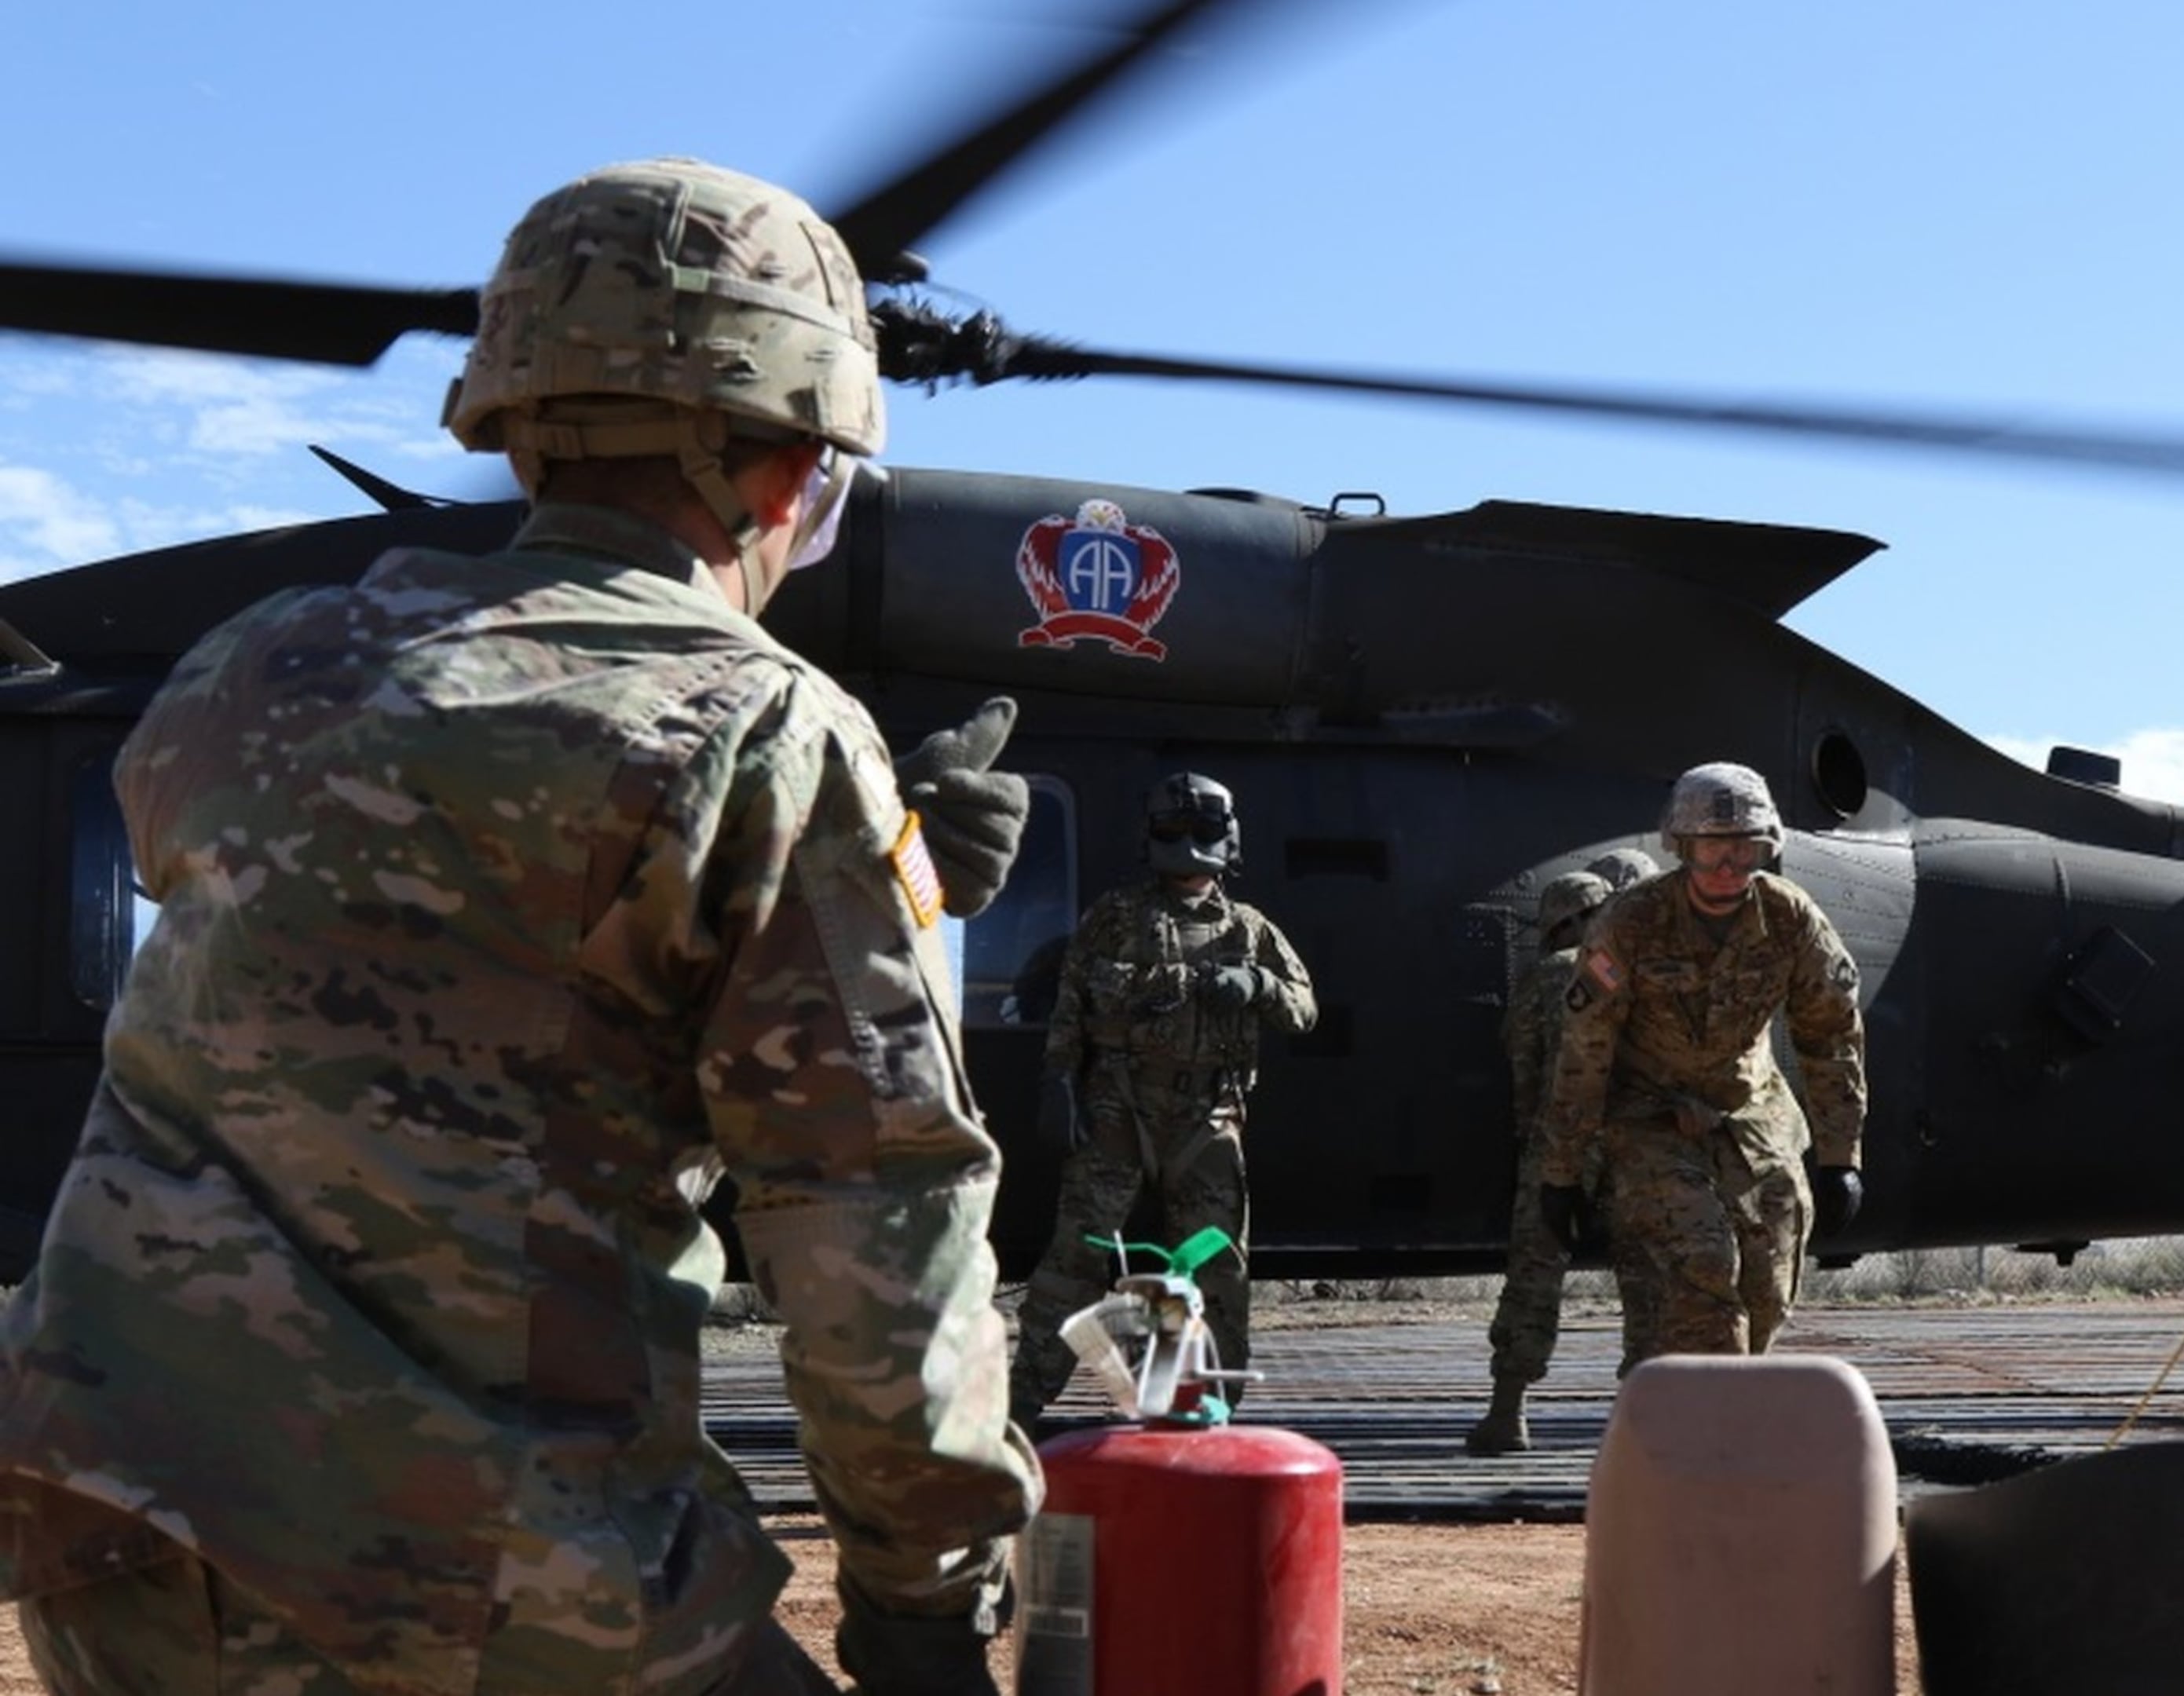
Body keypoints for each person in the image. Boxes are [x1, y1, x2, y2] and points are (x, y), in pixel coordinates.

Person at [0, 158, 1041, 1696]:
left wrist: (863, 883)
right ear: (779, 475)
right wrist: (924, 1614)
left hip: (107, 1526)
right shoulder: (768, 730)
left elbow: (382, 945)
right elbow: (878, 1236)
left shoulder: (250, 669)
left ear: (517, 425)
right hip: (468, 1575)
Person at [1012, 772, 1318, 1429]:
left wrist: (1257, 983)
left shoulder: (1250, 929)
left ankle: (1205, 1400)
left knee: (1214, 1267)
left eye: (1200, 830)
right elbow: (1070, 1007)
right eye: (1172, 830)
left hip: (1207, 1118)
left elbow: (1303, 1010)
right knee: (1078, 1256)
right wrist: (1058, 1084)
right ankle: (1023, 1400)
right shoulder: (1115, 917)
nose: (1187, 844)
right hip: (1117, 1109)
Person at [1539, 763, 1868, 1363]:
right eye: (1714, 850)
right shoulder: (1630, 924)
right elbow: (1585, 1051)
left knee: (1770, 1275)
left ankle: (1723, 1397)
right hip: (1650, 1116)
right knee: (1703, 1263)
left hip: (1750, 1109)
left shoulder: (1791, 919)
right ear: (1683, 848)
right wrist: (1562, 1172)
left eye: (1746, 853)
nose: (1728, 869)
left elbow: (1832, 1034)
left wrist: (1840, 1156)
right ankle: (1703, 1426)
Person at [1465, 853, 1659, 1456]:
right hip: (1630, 1141)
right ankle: (1642, 1419)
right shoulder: (1633, 968)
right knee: (1644, 1281)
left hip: (1558, 1142)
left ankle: (1508, 1414)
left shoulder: (1550, 974)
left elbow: (1522, 1064)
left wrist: (1534, 1140)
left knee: (1534, 1275)